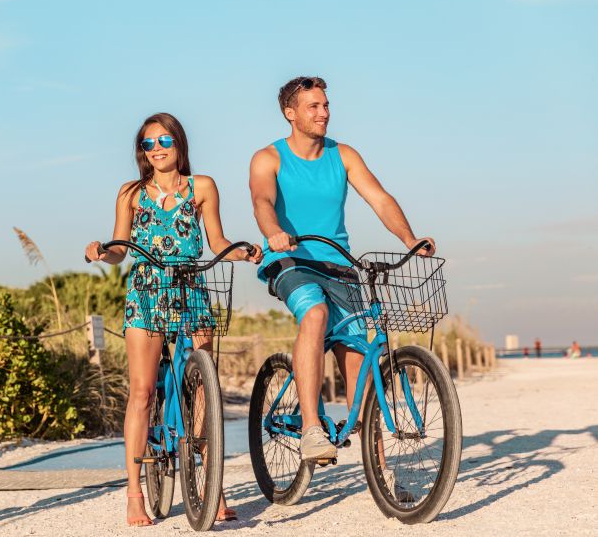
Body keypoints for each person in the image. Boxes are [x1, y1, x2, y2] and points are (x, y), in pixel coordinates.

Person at [85, 112, 261, 527]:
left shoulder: (202, 187)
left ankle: (209, 484)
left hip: (192, 286)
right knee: (143, 392)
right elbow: (120, 248)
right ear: (141, 152)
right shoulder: (130, 193)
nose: (158, 149)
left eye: (165, 140)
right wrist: (100, 250)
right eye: (148, 144)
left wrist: (242, 251)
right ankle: (133, 493)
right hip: (145, 291)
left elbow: (216, 241)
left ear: (179, 143)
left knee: (205, 389)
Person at [249, 76, 435, 462]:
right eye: (313, 106)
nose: (324, 113)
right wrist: (275, 233)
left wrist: (409, 239)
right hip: (291, 260)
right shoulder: (269, 158)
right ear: (290, 113)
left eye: (326, 105)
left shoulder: (343, 155)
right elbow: (262, 201)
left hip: (339, 264)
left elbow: (380, 199)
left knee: (358, 358)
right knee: (314, 314)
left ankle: (380, 469)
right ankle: (313, 429)